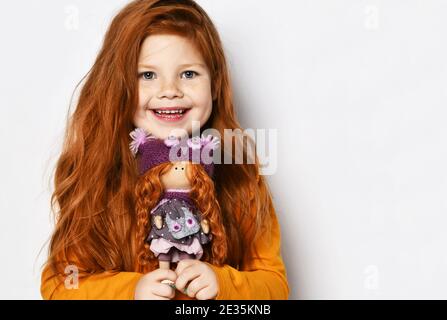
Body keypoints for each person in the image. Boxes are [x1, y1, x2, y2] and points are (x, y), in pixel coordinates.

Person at [41, 0, 289, 300]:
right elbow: (59, 285)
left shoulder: (240, 179)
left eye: (188, 74)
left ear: (214, 84)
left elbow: (274, 285)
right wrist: (131, 291)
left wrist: (223, 285)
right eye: (147, 75)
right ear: (119, 87)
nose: (169, 90)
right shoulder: (98, 177)